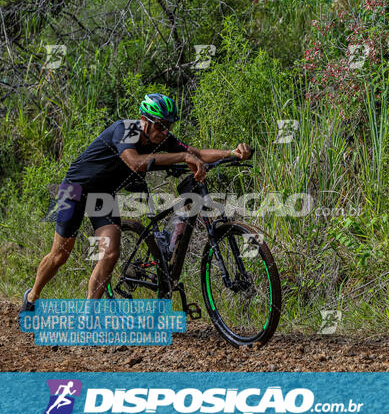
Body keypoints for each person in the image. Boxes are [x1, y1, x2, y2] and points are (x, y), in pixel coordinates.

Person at [20, 93, 252, 311]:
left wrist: (232, 153)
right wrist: (183, 157)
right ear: (144, 120)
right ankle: (32, 296)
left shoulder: (161, 138)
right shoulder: (126, 129)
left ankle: (88, 314)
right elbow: (135, 162)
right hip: (74, 188)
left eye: (169, 125)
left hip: (104, 192)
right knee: (60, 255)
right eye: (160, 125)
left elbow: (196, 152)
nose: (165, 131)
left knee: (110, 254)